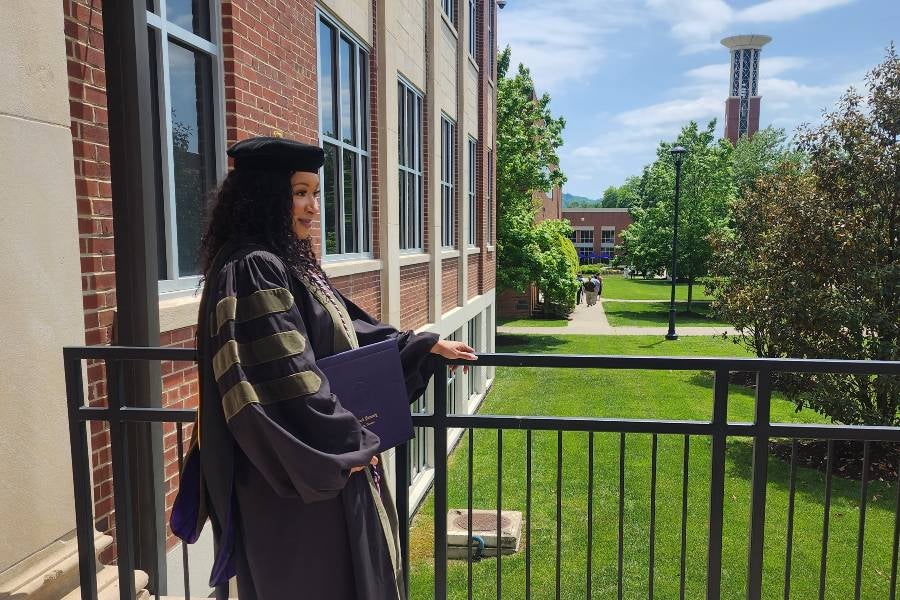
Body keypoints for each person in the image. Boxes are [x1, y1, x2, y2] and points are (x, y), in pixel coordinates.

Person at [171, 136, 477, 600]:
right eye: (299, 192)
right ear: (265, 194)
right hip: (295, 486)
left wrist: (419, 347)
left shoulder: (283, 263)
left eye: (316, 193)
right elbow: (284, 379)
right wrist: (347, 446)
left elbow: (347, 332)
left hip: (319, 473)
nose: (312, 207)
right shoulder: (253, 268)